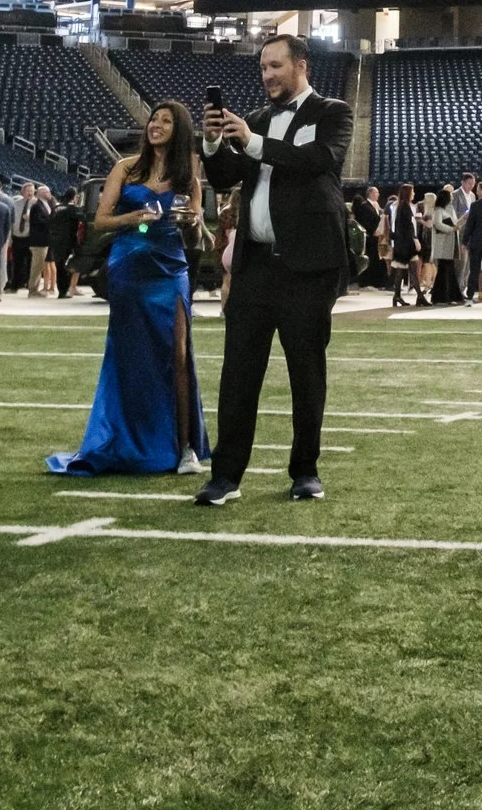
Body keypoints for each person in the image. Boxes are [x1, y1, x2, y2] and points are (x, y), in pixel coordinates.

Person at [198, 33, 354, 507]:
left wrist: (254, 142)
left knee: (306, 373)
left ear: (301, 65)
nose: (266, 75)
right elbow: (226, 177)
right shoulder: (260, 120)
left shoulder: (333, 112)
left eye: (275, 66)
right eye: (262, 67)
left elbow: (320, 161)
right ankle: (225, 476)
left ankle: (305, 470)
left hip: (308, 267)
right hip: (255, 267)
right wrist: (211, 144)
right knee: (238, 373)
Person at [49, 102, 210, 476]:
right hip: (128, 268)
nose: (156, 125)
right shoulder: (125, 167)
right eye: (154, 118)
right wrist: (133, 218)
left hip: (170, 268)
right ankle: (127, 440)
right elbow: (101, 221)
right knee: (128, 357)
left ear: (179, 129)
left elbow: (192, 235)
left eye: (166, 121)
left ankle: (186, 449)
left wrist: (192, 221)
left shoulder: (189, 176)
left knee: (180, 355)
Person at [383, 184, 421, 307]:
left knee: (400, 270)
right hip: (407, 244)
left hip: (401, 243)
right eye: (412, 191)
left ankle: (397, 296)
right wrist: (414, 239)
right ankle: (419, 296)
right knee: (413, 271)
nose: (414, 193)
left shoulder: (399, 206)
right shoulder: (405, 207)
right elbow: (408, 227)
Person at [49, 185, 86, 299]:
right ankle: (65, 289)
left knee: (59, 265)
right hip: (67, 241)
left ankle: (61, 291)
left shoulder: (56, 207)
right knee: (67, 266)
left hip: (55, 240)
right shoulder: (72, 209)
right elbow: (82, 219)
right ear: (74, 197)